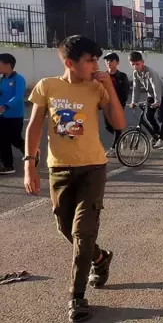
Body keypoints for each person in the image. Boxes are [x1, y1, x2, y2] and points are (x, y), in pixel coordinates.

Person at [23, 35, 126, 322]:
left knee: (83, 233)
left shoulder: (97, 87)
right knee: (64, 228)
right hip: (59, 170)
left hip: (93, 168)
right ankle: (100, 257)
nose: (96, 65)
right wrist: (30, 165)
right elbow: (33, 127)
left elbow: (119, 123)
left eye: (97, 59)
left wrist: (109, 87)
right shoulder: (47, 86)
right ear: (70, 63)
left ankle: (77, 297)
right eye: (90, 60)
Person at [128, 51, 163, 150]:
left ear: (142, 62)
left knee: (161, 116)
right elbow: (136, 88)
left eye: (137, 64)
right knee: (148, 115)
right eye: (132, 64)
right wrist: (134, 101)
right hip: (151, 95)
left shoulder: (150, 72)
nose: (135, 67)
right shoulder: (136, 73)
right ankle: (157, 133)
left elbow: (156, 87)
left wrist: (157, 102)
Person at [0, 53, 26, 175]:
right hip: (2, 115)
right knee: (3, 139)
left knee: (15, 139)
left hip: (14, 115)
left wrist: (5, 106)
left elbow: (19, 97)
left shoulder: (18, 79)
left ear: (8, 65)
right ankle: (8, 165)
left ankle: (31, 153)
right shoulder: (2, 79)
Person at [102, 53, 129, 158]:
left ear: (117, 62)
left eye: (111, 60)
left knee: (117, 126)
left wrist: (120, 104)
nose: (108, 62)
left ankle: (114, 148)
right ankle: (123, 137)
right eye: (107, 60)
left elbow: (125, 92)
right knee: (107, 126)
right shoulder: (104, 76)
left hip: (118, 104)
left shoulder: (122, 76)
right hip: (106, 104)